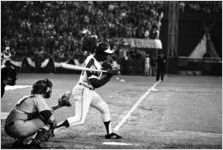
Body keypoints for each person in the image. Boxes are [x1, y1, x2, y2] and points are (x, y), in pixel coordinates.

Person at [56, 42, 122, 139]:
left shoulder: (95, 58)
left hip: (88, 90)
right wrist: (109, 76)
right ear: (100, 53)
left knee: (104, 108)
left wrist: (110, 68)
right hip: (83, 90)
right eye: (106, 54)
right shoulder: (91, 64)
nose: (107, 56)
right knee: (80, 119)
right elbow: (96, 83)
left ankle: (109, 133)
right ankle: (53, 128)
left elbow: (103, 65)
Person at [4, 79, 71, 148]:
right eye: (49, 89)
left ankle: (20, 142)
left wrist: (58, 106)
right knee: (49, 123)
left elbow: (44, 111)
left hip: (10, 127)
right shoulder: (38, 98)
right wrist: (53, 126)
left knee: (40, 117)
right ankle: (31, 144)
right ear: (46, 90)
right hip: (18, 128)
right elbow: (49, 117)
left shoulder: (31, 97)